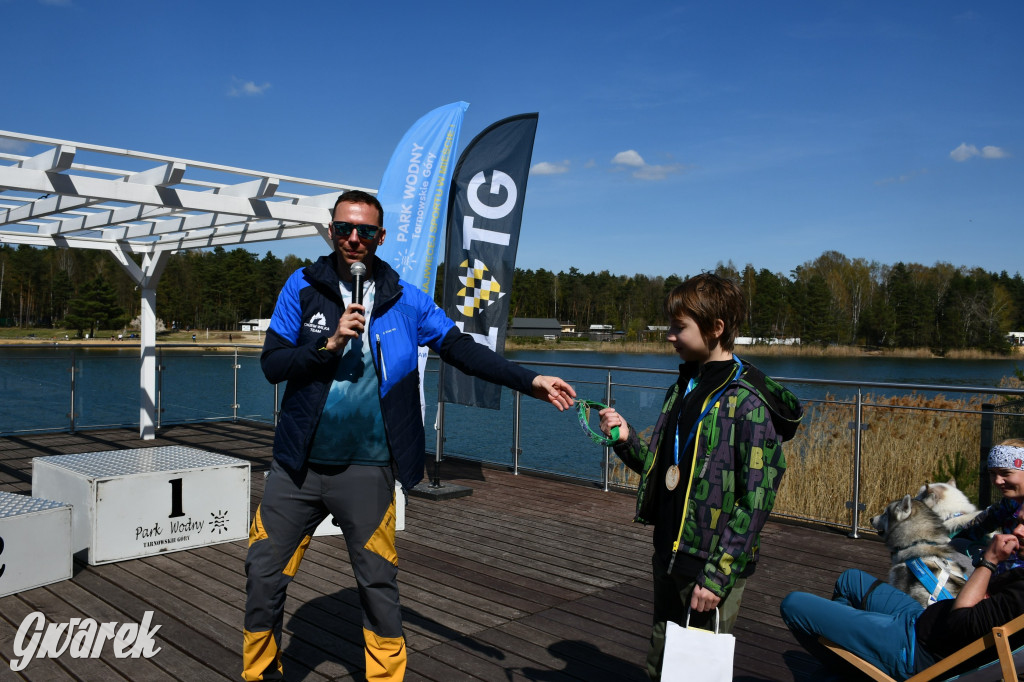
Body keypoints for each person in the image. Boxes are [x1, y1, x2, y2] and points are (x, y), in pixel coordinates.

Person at [242, 189, 576, 682]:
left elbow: (463, 349)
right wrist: (328, 343)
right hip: (297, 468)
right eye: (344, 229)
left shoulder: (406, 299)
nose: (354, 239)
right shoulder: (302, 286)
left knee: (378, 587)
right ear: (331, 231)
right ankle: (260, 674)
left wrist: (530, 380)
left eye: (365, 231)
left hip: (369, 469)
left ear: (381, 236)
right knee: (263, 577)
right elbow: (272, 365)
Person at [597, 273, 802, 680]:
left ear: (716, 329)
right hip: (670, 553)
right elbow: (661, 466)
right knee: (661, 660)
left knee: (696, 672)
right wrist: (624, 438)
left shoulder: (747, 402)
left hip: (710, 568)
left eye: (679, 327)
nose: (669, 336)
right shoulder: (684, 387)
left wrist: (718, 574)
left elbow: (758, 498)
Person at [781, 526, 1024, 680]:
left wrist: (989, 561)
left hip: (915, 649)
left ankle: (854, 664)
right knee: (850, 580)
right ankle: (852, 657)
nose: (1018, 529)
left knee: (793, 605)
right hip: (921, 619)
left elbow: (960, 620)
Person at [952, 438, 1024, 571]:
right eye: (993, 473)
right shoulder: (1008, 504)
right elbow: (973, 529)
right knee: (957, 544)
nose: (997, 481)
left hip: (1016, 581)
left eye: (1005, 473)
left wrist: (991, 559)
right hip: (1007, 575)